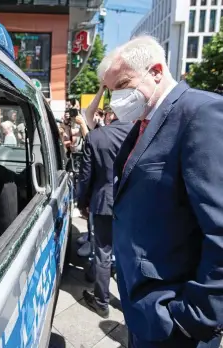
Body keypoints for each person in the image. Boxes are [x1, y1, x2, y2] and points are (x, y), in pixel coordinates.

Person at [98, 35, 223, 347]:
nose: (117, 99)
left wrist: (193, 317)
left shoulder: (200, 113)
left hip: (174, 317)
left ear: (155, 71)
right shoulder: (142, 124)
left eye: (123, 84)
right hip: (142, 304)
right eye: (112, 91)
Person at [76, 112, 133, 318]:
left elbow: (85, 175)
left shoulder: (97, 136)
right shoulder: (141, 133)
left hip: (103, 202)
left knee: (103, 252)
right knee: (129, 254)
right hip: (132, 203)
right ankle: (130, 303)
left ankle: (102, 301)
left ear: (110, 114)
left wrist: (81, 202)